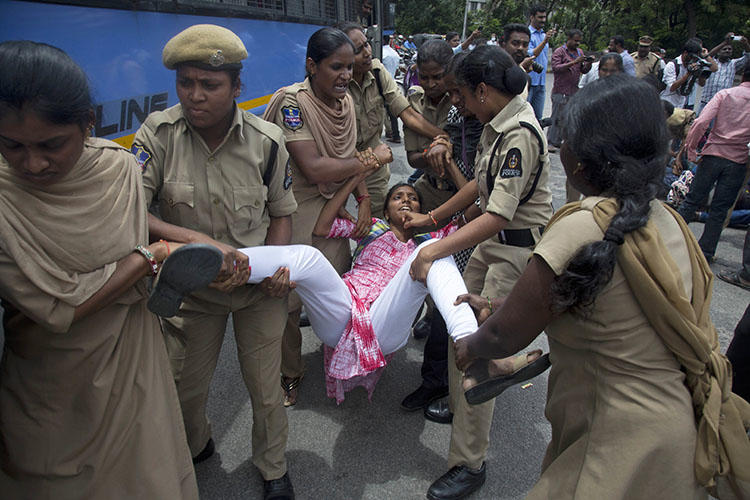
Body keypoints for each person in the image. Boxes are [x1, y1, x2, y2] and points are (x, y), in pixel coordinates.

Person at [452, 73, 750, 499]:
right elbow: (610, 306)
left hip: (612, 444)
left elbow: (502, 334)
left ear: (577, 159)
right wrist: (503, 302)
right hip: (675, 436)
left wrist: (473, 346)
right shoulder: (672, 222)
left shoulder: (580, 227)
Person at [0, 40, 198, 499]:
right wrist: (149, 257)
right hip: (47, 382)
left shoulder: (119, 170)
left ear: (88, 123)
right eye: (11, 145)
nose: (33, 163)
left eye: (52, 145)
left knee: (144, 475)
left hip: (132, 363)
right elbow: (59, 310)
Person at [132, 25, 298, 499]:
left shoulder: (267, 141)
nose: (195, 96)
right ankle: (196, 445)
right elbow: (133, 212)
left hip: (255, 292)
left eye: (210, 85)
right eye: (186, 83)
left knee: (266, 392)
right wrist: (198, 242)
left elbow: (282, 214)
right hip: (191, 293)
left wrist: (274, 268)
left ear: (236, 87)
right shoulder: (158, 134)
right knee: (183, 391)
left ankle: (273, 469)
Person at [406, 45, 553, 500]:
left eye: (463, 95)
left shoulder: (521, 132)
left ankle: (469, 464)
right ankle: (462, 402)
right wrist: (434, 222)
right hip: (492, 247)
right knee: (458, 331)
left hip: (512, 255)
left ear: (484, 91)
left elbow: (500, 213)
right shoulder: (498, 125)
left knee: (477, 351)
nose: (459, 105)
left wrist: (433, 250)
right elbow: (479, 186)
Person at [234, 178, 483, 404]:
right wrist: (355, 178)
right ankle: (226, 263)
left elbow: (474, 212)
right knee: (308, 257)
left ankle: (468, 339)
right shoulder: (372, 227)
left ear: (421, 211)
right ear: (386, 212)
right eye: (398, 197)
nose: (406, 200)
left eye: (412, 198)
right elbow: (322, 227)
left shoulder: (426, 239)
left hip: (383, 325)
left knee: (433, 251)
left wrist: (486, 180)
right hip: (344, 313)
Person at [263, 27, 391, 408]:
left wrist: (364, 198)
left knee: (337, 290)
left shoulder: (345, 103)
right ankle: (289, 372)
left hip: (333, 202)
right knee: (286, 298)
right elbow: (315, 168)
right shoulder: (293, 103)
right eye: (336, 67)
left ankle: (339, 356)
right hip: (293, 204)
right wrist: (372, 160)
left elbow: (346, 157)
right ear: (311, 65)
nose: (345, 76)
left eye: (350, 68)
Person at [400, 39, 459, 412]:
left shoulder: (465, 98)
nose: (433, 84)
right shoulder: (415, 101)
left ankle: (435, 379)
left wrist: (442, 149)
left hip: (461, 201)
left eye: (439, 77)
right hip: (429, 189)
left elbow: (470, 168)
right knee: (403, 258)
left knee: (447, 279)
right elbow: (412, 157)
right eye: (426, 77)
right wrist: (440, 146)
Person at [340, 23, 448, 215]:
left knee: (377, 221)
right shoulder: (336, 83)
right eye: (358, 50)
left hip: (373, 163)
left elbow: (407, 114)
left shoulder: (378, 72)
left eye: (367, 44)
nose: (366, 53)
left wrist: (445, 137)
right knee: (333, 222)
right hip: (340, 163)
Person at [677, 64, 750, 262]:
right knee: (719, 209)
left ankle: (673, 242)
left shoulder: (725, 94)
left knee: (691, 201)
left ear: (742, 74)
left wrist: (691, 149)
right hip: (738, 161)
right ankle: (706, 252)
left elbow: (701, 122)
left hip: (713, 155)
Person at [547, 29, 592, 153]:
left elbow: (583, 70)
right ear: (569, 39)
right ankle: (550, 141)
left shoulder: (579, 52)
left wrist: (588, 64)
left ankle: (558, 141)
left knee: (566, 117)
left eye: (579, 41)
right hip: (560, 90)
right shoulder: (560, 52)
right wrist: (573, 62)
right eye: (575, 41)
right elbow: (556, 68)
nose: (577, 43)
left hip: (573, 91)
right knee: (556, 116)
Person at [698, 33, 749, 113]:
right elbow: (707, 56)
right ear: (718, 52)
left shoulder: (734, 64)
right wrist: (725, 42)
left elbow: (748, 56)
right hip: (706, 102)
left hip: (723, 104)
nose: (727, 51)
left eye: (729, 49)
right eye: (724, 49)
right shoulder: (711, 63)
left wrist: (745, 44)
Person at [661, 39, 717, 110]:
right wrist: (688, 73)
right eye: (692, 56)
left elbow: (714, 69)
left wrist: (701, 73)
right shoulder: (672, 65)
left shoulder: (693, 64)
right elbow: (672, 88)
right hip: (667, 102)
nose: (693, 59)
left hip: (681, 103)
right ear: (685, 53)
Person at [527, 4, 556, 120]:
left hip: (541, 83)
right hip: (529, 82)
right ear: (532, 17)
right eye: (540, 17)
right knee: (526, 117)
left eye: (544, 17)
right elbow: (531, 54)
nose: (543, 20)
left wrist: (545, 40)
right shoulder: (527, 34)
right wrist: (544, 42)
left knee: (538, 118)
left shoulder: (544, 35)